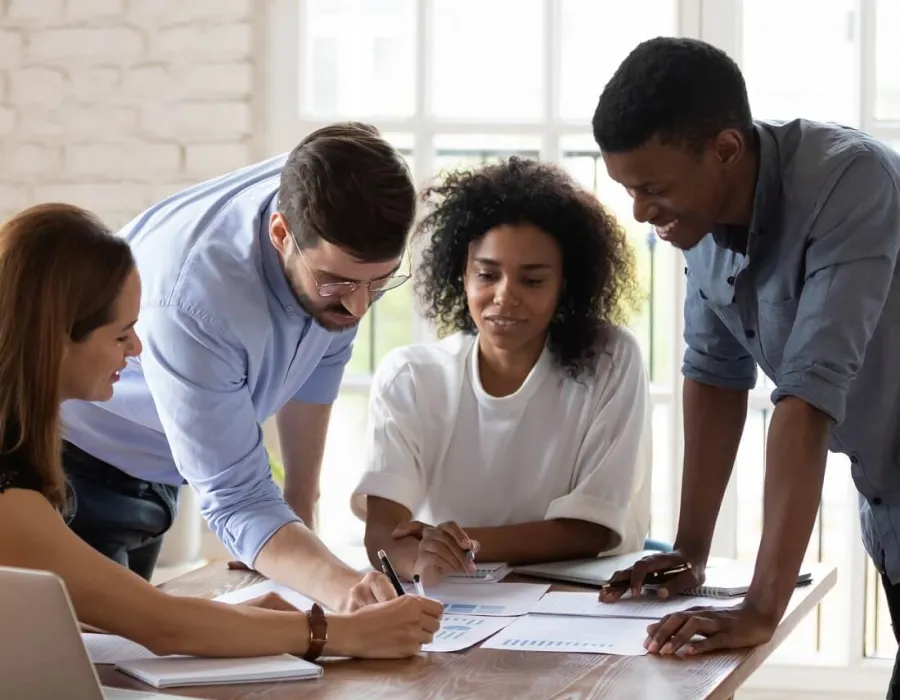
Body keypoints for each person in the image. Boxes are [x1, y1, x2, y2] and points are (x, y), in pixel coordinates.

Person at [0, 203, 443, 660]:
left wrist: (243, 623)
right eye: (121, 334)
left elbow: (84, 609)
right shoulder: (8, 494)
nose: (136, 349)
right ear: (55, 339)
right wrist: (342, 633)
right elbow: (162, 628)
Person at [591, 34, 900, 682]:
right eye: (628, 190)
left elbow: (809, 395)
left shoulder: (851, 180)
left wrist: (763, 606)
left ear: (725, 149)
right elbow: (712, 372)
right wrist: (689, 553)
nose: (642, 212)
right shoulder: (697, 220)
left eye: (652, 188)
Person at [60, 122, 419, 612]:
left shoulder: (336, 191)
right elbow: (237, 498)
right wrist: (344, 592)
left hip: (161, 470)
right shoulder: (194, 301)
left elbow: (320, 356)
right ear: (280, 234)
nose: (359, 306)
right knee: (97, 663)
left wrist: (296, 519)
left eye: (380, 283)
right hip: (76, 468)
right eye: (337, 283)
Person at [351, 157, 652, 584]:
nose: (504, 297)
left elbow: (592, 530)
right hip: (458, 604)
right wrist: (420, 559)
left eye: (532, 281)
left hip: (579, 601)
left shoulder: (609, 360)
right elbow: (384, 535)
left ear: (565, 284)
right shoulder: (411, 377)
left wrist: (452, 544)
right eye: (487, 274)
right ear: (462, 275)